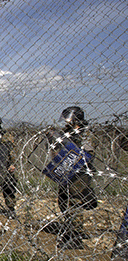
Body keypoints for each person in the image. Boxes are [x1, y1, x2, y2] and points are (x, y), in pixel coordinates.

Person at [46, 106, 97, 249]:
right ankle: (69, 228)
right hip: (66, 171)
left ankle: (75, 237)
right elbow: (57, 150)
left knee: (74, 202)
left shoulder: (85, 134)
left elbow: (88, 153)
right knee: (63, 199)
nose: (66, 123)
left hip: (80, 173)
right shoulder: (67, 133)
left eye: (69, 120)